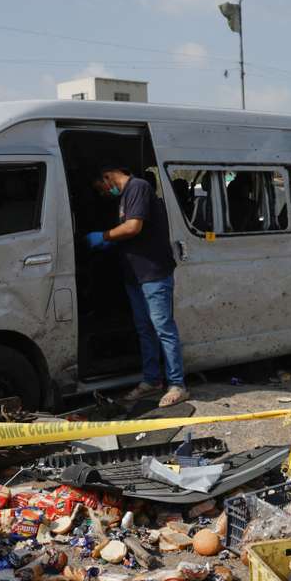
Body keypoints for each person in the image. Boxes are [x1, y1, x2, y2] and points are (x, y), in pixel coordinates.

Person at [88, 164, 188, 408]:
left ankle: (177, 384)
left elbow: (133, 227)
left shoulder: (138, 188)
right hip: (136, 275)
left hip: (153, 273)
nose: (103, 194)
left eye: (101, 188)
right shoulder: (124, 197)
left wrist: (104, 236)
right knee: (145, 329)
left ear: (107, 175)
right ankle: (152, 381)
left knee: (163, 328)